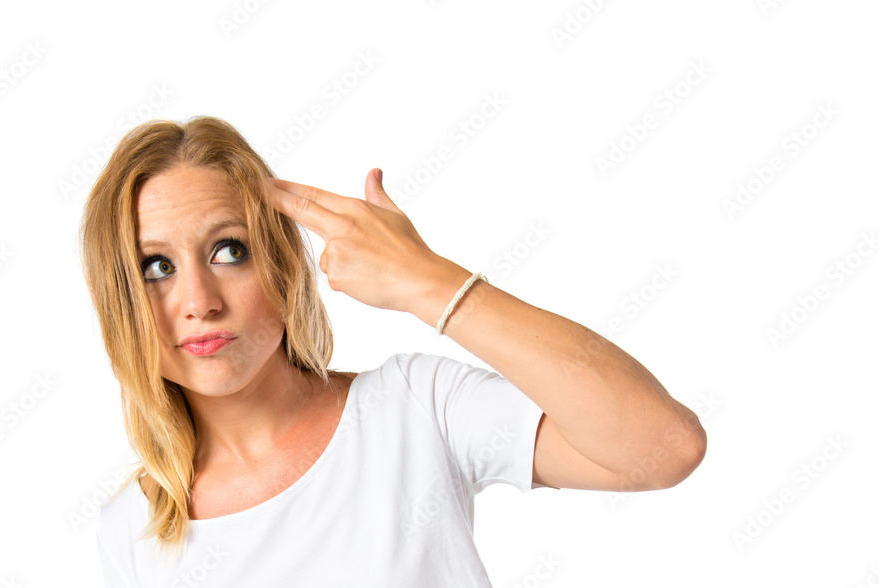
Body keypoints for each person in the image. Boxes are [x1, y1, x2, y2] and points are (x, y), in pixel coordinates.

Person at [82, 116, 707, 586]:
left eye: (229, 250)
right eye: (156, 266)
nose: (199, 300)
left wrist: (428, 282)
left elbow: (664, 448)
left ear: (281, 264)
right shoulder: (130, 529)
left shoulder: (412, 408)